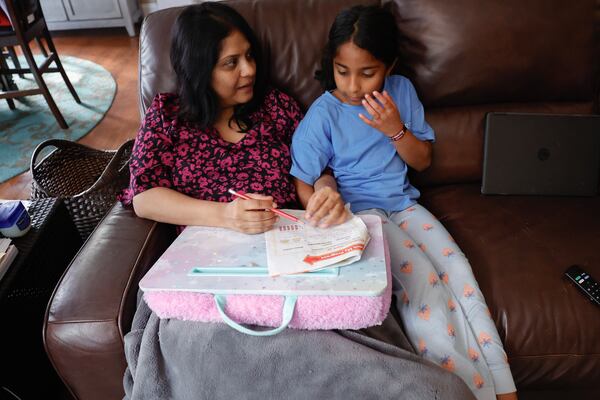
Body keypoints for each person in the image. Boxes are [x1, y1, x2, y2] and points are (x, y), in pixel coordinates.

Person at [120, 4, 480, 400]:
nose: (249, 70)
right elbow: (145, 197)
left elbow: (318, 169)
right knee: (207, 349)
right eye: (231, 63)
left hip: (295, 260)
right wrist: (224, 215)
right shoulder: (167, 118)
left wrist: (326, 191)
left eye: (250, 56)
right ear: (198, 68)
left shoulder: (275, 107)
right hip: (216, 274)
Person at [290, 5, 518, 400]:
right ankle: (464, 390)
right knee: (422, 285)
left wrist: (395, 129)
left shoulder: (401, 93)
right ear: (331, 64)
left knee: (458, 270)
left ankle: (502, 385)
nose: (355, 86)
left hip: (405, 205)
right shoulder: (324, 114)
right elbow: (302, 183)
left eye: (368, 72)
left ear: (390, 65)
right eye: (343, 71)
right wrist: (326, 207)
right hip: (364, 217)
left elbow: (423, 160)